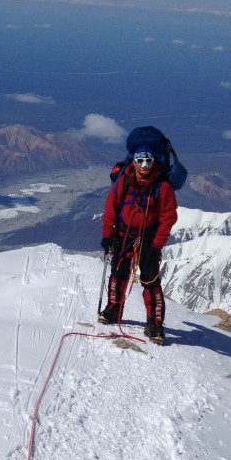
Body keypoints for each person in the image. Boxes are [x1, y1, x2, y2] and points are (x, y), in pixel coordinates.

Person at [99, 145, 178, 343]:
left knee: (150, 281)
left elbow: (168, 217)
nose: (144, 165)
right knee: (118, 273)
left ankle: (155, 324)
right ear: (133, 161)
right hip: (124, 234)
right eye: (140, 160)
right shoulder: (124, 181)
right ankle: (113, 311)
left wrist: (157, 245)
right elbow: (111, 208)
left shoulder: (163, 186)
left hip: (149, 238)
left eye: (148, 161)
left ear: (154, 161)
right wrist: (108, 235)